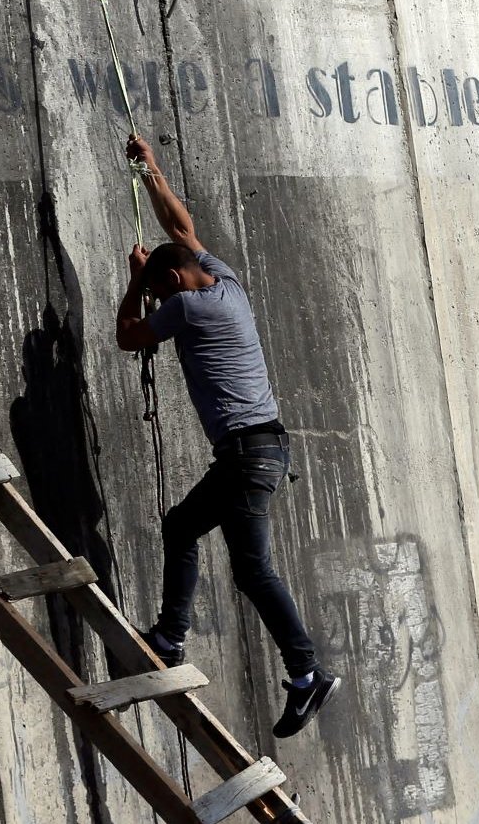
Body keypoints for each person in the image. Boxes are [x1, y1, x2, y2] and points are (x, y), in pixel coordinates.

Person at [112, 134, 337, 739]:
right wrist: (151, 169)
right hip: (263, 448)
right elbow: (180, 228)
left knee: (243, 564)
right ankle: (178, 638)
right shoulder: (226, 283)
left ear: (173, 282)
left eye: (162, 292)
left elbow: (128, 335)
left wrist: (135, 284)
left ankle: (301, 671)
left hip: (245, 454)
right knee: (198, 537)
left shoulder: (188, 307)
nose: (161, 302)